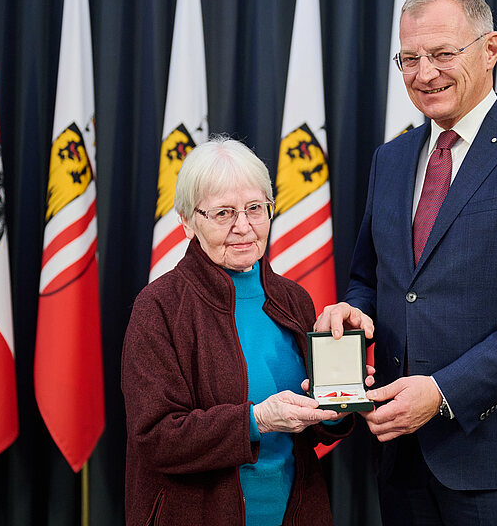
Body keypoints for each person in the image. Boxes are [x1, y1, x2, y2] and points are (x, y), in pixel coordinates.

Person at [316, 0, 497, 524]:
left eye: (443, 54)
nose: (424, 74)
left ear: (490, 49)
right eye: (410, 58)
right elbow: (368, 279)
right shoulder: (390, 159)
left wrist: (443, 393)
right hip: (401, 457)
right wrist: (354, 311)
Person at [122, 136, 359, 526]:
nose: (243, 227)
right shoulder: (158, 307)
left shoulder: (293, 299)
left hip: (295, 511)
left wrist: (336, 406)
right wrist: (258, 420)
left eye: (255, 208)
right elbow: (156, 438)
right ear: (187, 222)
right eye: (223, 214)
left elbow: (314, 431)